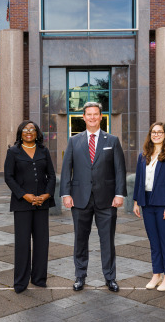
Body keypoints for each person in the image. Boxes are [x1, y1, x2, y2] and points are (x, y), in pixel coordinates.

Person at [60, 102, 127, 292]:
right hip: (80, 198)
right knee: (80, 240)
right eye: (88, 114)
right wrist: (66, 194)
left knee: (107, 240)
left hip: (107, 200)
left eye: (95, 114)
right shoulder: (74, 141)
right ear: (83, 117)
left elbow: (119, 169)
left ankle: (110, 278)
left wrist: (119, 193)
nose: (92, 117)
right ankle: (80, 276)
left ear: (101, 117)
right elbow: (67, 169)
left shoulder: (112, 140)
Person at [4, 120, 56, 294]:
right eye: (25, 129)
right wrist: (24, 195)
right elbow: (9, 177)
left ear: (36, 133)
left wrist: (47, 195)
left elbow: (51, 176)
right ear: (20, 133)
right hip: (22, 204)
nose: (28, 132)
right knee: (22, 243)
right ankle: (20, 282)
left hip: (42, 203)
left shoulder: (44, 150)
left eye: (32, 130)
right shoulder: (13, 152)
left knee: (42, 242)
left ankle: (39, 279)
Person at [133, 122, 165, 292]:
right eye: (153, 132)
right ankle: (156, 275)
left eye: (160, 132)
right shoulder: (143, 156)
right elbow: (139, 181)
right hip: (147, 204)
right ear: (150, 134)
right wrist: (136, 202)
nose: (156, 135)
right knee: (153, 242)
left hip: (163, 205)